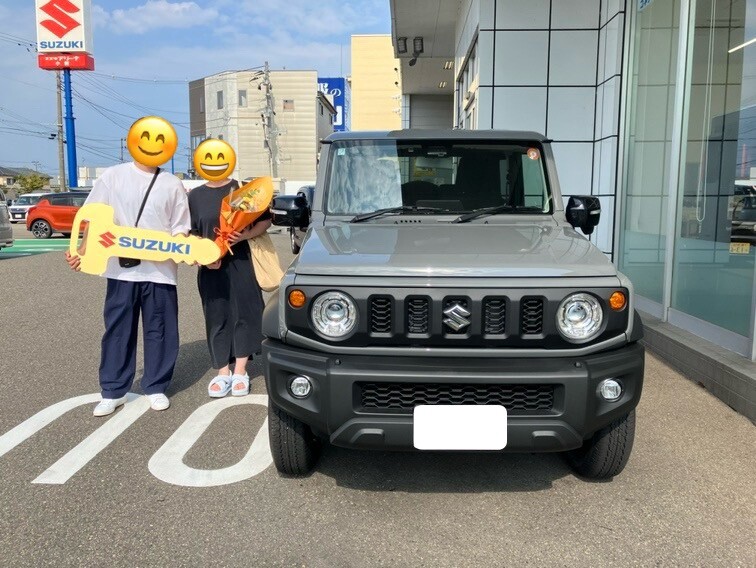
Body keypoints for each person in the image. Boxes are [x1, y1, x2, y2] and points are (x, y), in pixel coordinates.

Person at [65, 119, 190, 417]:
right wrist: (80, 252)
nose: (152, 144)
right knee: (118, 330)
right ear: (133, 140)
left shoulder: (172, 184)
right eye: (146, 137)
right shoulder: (113, 176)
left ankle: (156, 386)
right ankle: (112, 390)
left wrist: (184, 248)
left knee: (160, 330)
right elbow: (93, 218)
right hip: (120, 270)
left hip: (161, 271)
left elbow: (180, 227)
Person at [188, 176, 272, 397]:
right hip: (211, 267)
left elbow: (265, 220)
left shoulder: (242, 190)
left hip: (242, 261)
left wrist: (246, 234)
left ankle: (240, 371)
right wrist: (202, 257)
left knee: (245, 313)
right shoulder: (195, 196)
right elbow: (191, 233)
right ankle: (223, 372)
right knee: (217, 316)